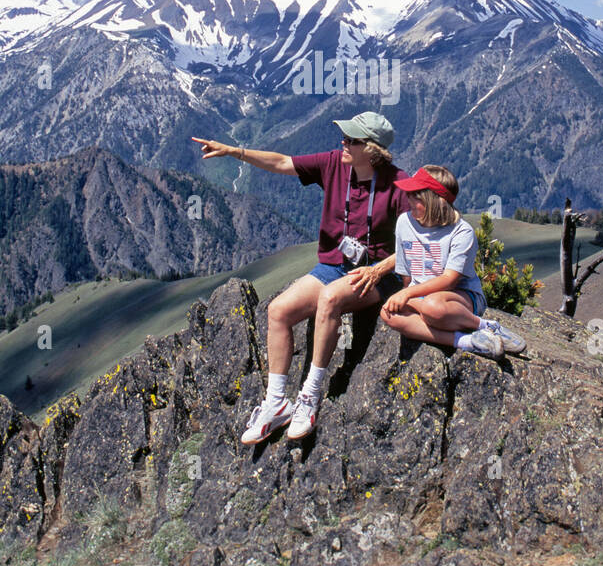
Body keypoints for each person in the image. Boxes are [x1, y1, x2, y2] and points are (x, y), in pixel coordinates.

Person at [192, 112, 409, 443]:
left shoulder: (398, 184)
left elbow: (416, 242)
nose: (343, 143)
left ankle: (310, 394)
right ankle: (276, 402)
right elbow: (281, 162)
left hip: (376, 275)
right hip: (334, 266)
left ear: (372, 149)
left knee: (330, 298)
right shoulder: (335, 164)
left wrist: (379, 268)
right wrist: (234, 151)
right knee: (278, 311)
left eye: (351, 140)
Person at [381, 165, 527, 357]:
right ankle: (465, 341)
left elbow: (449, 280)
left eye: (416, 196)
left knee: (433, 308)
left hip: (459, 296)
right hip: (420, 295)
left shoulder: (461, 232)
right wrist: (406, 295)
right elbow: (406, 272)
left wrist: (407, 295)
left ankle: (486, 326)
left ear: (435, 201)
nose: (408, 198)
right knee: (388, 314)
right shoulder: (404, 222)